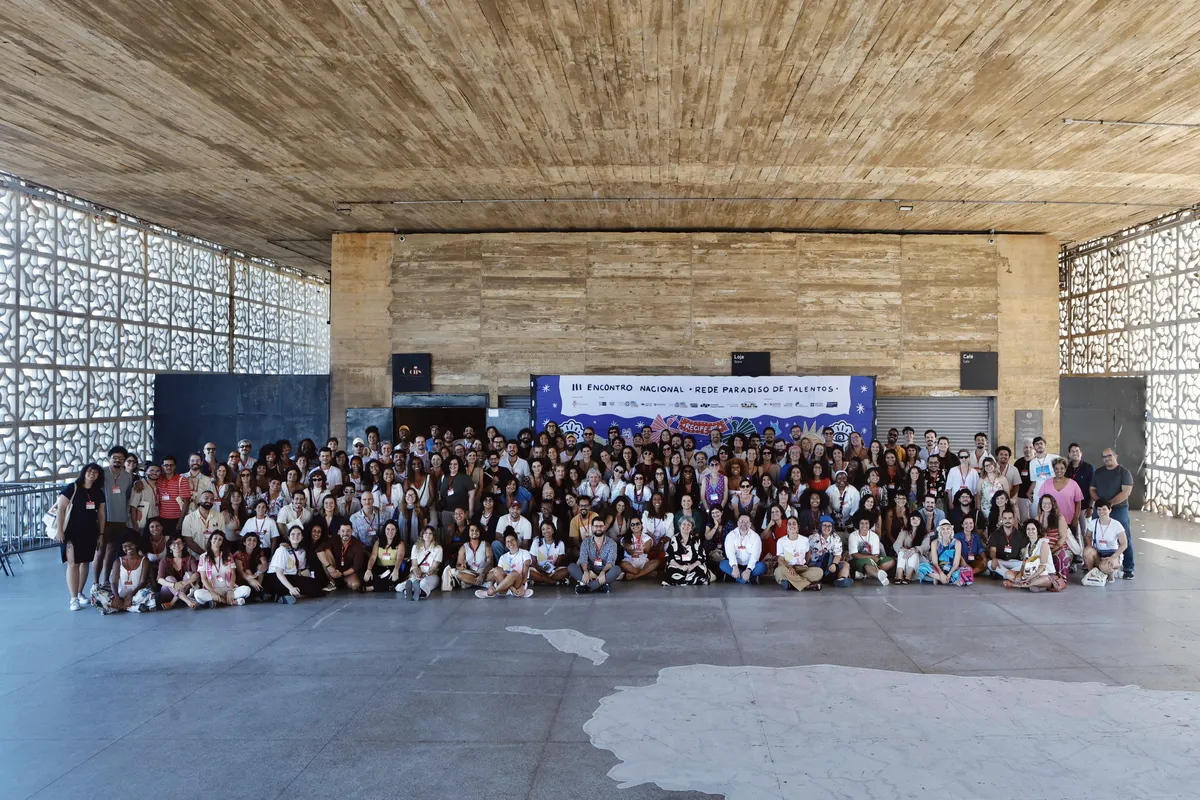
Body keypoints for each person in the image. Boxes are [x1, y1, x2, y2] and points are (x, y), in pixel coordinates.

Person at [55, 463, 106, 610]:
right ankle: (73, 598)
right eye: (89, 471)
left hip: (90, 531)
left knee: (85, 562)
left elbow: (101, 514)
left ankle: (80, 593)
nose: (92, 474)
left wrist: (101, 534)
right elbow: (61, 509)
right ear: (84, 472)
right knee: (73, 563)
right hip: (71, 532)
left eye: (95, 472)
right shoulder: (72, 488)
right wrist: (60, 531)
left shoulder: (98, 492)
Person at [1090, 448, 1136, 579]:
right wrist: (1101, 505)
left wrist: (1109, 505)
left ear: (1116, 455)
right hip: (1100, 510)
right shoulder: (1098, 472)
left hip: (1119, 510)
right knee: (1095, 535)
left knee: (1125, 538)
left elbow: (1126, 492)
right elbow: (1092, 489)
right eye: (1104, 456)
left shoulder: (1124, 472)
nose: (1107, 458)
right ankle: (1096, 565)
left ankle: (1128, 568)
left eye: (1109, 456)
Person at [266, 523, 326, 603]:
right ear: (288, 537)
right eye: (293, 534)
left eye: (298, 534)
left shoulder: (302, 551)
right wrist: (291, 588)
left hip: (291, 576)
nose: (296, 536)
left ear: (302, 537)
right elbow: (279, 573)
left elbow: (300, 570)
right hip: (276, 578)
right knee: (310, 587)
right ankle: (284, 594)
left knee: (315, 585)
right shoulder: (282, 550)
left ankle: (288, 595)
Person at [195, 531, 251, 607]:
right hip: (212, 589)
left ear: (222, 542)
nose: (217, 541)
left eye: (220, 539)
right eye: (215, 538)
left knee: (247, 590)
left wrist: (230, 590)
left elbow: (233, 575)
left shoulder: (228, 556)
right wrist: (212, 592)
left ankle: (219, 601)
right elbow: (203, 578)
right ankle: (230, 601)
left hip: (227, 588)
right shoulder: (203, 557)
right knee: (198, 594)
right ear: (211, 540)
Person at [1004, 520, 1060, 592]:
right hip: (1030, 574)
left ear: (1038, 531)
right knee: (1008, 574)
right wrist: (1019, 575)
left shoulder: (1043, 544)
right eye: (1028, 529)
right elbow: (1024, 564)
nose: (1030, 531)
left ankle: (1018, 585)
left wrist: (1030, 578)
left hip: (1044, 575)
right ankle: (1034, 586)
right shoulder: (1027, 546)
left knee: (1045, 580)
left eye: (1033, 529)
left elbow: (1042, 568)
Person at [102, 538, 153, 613]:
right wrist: (116, 597)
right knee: (95, 592)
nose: (128, 548)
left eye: (131, 545)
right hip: (119, 594)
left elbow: (143, 582)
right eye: (125, 546)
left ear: (136, 545)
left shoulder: (144, 560)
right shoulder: (118, 561)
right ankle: (130, 607)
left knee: (149, 594)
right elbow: (114, 582)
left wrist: (131, 595)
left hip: (136, 594)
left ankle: (119, 607)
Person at [570, 518, 620, 593]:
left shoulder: (612, 543)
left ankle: (588, 586)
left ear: (604, 527)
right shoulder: (586, 542)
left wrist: (603, 572)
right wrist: (586, 572)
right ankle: (600, 586)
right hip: (589, 570)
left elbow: (611, 562)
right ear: (592, 528)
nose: (598, 528)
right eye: (596, 526)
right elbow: (583, 559)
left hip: (604, 572)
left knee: (617, 569)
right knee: (571, 567)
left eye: (601, 526)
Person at [477, 531, 534, 598]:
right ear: (506, 544)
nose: (510, 543)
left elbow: (526, 570)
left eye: (512, 540)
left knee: (513, 573)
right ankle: (513, 592)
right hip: (505, 587)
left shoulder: (524, 553)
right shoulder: (503, 557)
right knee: (497, 569)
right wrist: (491, 585)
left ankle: (490, 593)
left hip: (518, 583)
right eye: (507, 541)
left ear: (517, 541)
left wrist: (523, 586)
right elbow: (496, 574)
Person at [1083, 500, 1129, 583]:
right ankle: (1093, 573)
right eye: (1099, 509)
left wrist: (1113, 557)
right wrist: (1091, 546)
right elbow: (1088, 536)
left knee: (1104, 567)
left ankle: (1110, 573)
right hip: (1099, 553)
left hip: (1112, 554)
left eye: (1104, 509)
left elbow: (1124, 544)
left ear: (1110, 510)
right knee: (1087, 551)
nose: (1101, 512)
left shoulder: (1116, 524)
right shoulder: (1093, 523)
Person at [774, 517, 823, 592]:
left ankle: (791, 583)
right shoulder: (781, 541)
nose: (792, 526)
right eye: (789, 524)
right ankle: (807, 585)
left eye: (794, 524)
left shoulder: (805, 540)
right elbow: (780, 559)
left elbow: (808, 553)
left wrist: (806, 564)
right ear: (786, 528)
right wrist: (789, 567)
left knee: (819, 572)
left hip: (802, 569)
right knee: (779, 571)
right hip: (787, 568)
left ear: (798, 527)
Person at [919, 519, 970, 586]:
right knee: (921, 567)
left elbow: (956, 564)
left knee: (968, 572)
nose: (946, 531)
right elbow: (935, 563)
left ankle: (940, 579)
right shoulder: (934, 543)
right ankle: (947, 580)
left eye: (948, 529)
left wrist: (948, 575)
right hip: (938, 569)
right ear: (940, 531)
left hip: (952, 570)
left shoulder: (957, 543)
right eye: (943, 529)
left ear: (951, 530)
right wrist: (941, 574)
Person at [444, 522, 493, 590]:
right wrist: (462, 567)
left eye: (477, 530)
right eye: (472, 530)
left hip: (485, 572)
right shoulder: (464, 547)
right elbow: (458, 565)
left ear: (480, 532)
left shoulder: (486, 544)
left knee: (497, 572)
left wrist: (483, 574)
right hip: (470, 572)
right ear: (468, 532)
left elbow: (490, 563)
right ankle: (484, 584)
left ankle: (470, 582)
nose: (474, 532)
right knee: (456, 573)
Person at [720, 513, 765, 584]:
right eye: (741, 521)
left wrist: (748, 569)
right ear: (737, 523)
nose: (743, 524)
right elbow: (730, 553)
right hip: (735, 565)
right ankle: (748, 579)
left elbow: (755, 556)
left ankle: (736, 577)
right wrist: (734, 567)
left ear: (750, 524)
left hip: (750, 566)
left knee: (762, 567)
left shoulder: (755, 537)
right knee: (723, 564)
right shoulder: (731, 535)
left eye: (746, 522)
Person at [847, 517, 894, 585]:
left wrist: (872, 558)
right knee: (868, 562)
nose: (864, 526)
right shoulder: (853, 535)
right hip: (857, 560)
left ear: (870, 524)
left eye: (866, 523)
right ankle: (878, 575)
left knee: (890, 561)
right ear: (858, 524)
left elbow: (875, 555)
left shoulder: (874, 536)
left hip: (873, 559)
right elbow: (854, 555)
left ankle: (866, 575)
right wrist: (871, 557)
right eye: (862, 523)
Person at [156, 535, 199, 609]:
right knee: (169, 578)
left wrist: (184, 583)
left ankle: (172, 603)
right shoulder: (164, 561)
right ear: (170, 546)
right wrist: (173, 585)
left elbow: (197, 574)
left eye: (179, 542)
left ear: (183, 545)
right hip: (168, 593)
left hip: (186, 590)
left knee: (189, 574)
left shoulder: (190, 558)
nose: (176, 545)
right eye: (173, 543)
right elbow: (159, 579)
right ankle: (188, 601)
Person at [662, 518, 708, 586]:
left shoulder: (696, 539)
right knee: (670, 570)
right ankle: (690, 580)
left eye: (689, 525)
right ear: (680, 526)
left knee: (701, 569)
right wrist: (680, 566)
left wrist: (692, 566)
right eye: (684, 524)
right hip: (678, 566)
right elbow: (669, 556)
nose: (686, 526)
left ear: (692, 527)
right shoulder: (673, 539)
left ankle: (681, 580)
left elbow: (702, 557)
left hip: (692, 565)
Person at [808, 516, 852, 587]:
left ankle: (841, 579)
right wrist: (807, 564)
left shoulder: (836, 538)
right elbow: (808, 553)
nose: (827, 528)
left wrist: (834, 564)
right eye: (824, 525)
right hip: (816, 565)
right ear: (820, 526)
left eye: (829, 526)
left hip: (831, 565)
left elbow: (837, 555)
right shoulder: (812, 538)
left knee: (846, 565)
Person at [401, 526, 442, 600]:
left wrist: (425, 575)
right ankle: (409, 592)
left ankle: (419, 592)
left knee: (424, 583)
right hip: (418, 573)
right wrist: (417, 573)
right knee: (412, 581)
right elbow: (414, 565)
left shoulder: (438, 548)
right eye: (425, 533)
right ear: (422, 535)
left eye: (430, 533)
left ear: (433, 536)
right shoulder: (415, 547)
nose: (428, 535)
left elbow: (434, 567)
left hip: (431, 575)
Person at [366, 520, 407, 593]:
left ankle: (371, 588)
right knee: (369, 577)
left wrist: (396, 570)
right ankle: (387, 586)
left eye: (393, 529)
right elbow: (373, 557)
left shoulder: (400, 543)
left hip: (393, 568)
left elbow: (399, 558)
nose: (390, 531)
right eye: (388, 529)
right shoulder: (378, 542)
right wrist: (368, 570)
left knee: (393, 577)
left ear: (396, 530)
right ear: (384, 530)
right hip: (380, 568)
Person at [181, 490, 228, 555]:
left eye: (211, 499)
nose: (209, 501)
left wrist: (212, 555)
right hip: (195, 557)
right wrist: (204, 555)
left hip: (214, 555)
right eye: (206, 498)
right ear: (199, 499)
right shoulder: (189, 518)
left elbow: (221, 536)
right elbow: (188, 540)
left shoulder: (219, 516)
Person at [987, 509, 1027, 579]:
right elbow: (992, 550)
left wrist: (1025, 561)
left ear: (1014, 519)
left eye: (1010, 518)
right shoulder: (995, 534)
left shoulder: (1020, 535)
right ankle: (1011, 574)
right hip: (1000, 561)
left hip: (1014, 562)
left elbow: (1024, 552)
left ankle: (1005, 574)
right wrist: (994, 558)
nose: (1007, 520)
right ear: (1001, 519)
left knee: (1026, 564)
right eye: (1005, 518)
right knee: (990, 563)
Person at [329, 521, 366, 591]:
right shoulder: (333, 539)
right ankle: (332, 582)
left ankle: (341, 582)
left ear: (352, 531)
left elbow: (357, 566)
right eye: (343, 531)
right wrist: (329, 568)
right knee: (325, 551)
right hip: (333, 570)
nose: (345, 534)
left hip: (348, 572)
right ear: (338, 531)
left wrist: (342, 574)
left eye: (348, 531)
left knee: (355, 585)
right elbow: (319, 550)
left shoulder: (357, 544)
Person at [528, 521, 568, 586]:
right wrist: (541, 570)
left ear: (553, 530)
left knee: (567, 571)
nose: (546, 531)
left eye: (548, 528)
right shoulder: (536, 542)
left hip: (553, 571)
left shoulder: (560, 543)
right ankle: (553, 582)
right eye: (543, 529)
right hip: (538, 570)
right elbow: (533, 562)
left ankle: (540, 581)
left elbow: (558, 563)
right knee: (528, 571)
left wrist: (550, 570)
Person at [234, 531, 271, 603]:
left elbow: (265, 564)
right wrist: (251, 579)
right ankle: (259, 591)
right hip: (242, 577)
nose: (252, 542)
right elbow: (241, 571)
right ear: (244, 542)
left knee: (260, 567)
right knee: (247, 570)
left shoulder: (259, 551)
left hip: (254, 576)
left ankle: (257, 590)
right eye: (249, 540)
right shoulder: (238, 554)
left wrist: (255, 575)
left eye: (254, 540)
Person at [893, 511, 924, 585]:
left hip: (919, 561)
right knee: (901, 552)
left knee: (914, 553)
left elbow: (925, 546)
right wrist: (903, 549)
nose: (915, 521)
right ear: (909, 520)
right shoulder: (904, 531)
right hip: (905, 557)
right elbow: (897, 543)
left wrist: (914, 550)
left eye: (918, 519)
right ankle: (899, 575)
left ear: (921, 521)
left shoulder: (925, 533)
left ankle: (908, 576)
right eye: (913, 518)